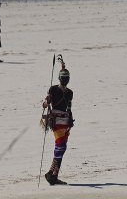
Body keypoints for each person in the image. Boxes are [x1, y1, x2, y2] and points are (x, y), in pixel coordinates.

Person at [42, 56, 74, 185]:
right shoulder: (53, 89)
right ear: (60, 79)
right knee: (60, 147)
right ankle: (50, 173)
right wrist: (46, 102)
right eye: (64, 78)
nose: (65, 80)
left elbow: (69, 107)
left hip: (65, 122)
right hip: (56, 121)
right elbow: (46, 101)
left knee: (62, 147)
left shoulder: (70, 93)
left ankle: (54, 175)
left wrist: (70, 121)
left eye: (67, 78)